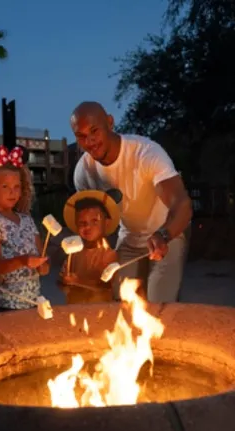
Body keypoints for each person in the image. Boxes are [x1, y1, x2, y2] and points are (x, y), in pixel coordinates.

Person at [70, 101, 193, 303]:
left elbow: (182, 205)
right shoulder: (83, 173)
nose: (90, 141)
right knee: (123, 303)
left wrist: (164, 235)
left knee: (159, 305)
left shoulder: (146, 153)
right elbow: (93, 228)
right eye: (81, 136)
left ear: (109, 122)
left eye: (94, 131)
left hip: (167, 233)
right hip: (128, 237)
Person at [0, 143, 50, 315]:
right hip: (2, 304)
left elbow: (42, 260)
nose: (12, 192)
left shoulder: (27, 220)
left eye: (16, 186)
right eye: (5, 186)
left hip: (32, 301)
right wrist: (23, 261)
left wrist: (43, 267)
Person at [58, 190, 120, 304]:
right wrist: (64, 282)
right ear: (76, 225)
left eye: (94, 221)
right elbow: (61, 283)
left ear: (106, 223)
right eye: (82, 223)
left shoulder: (109, 254)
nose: (87, 226)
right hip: (74, 309)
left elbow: (106, 285)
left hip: (98, 311)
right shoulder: (73, 253)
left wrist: (79, 281)